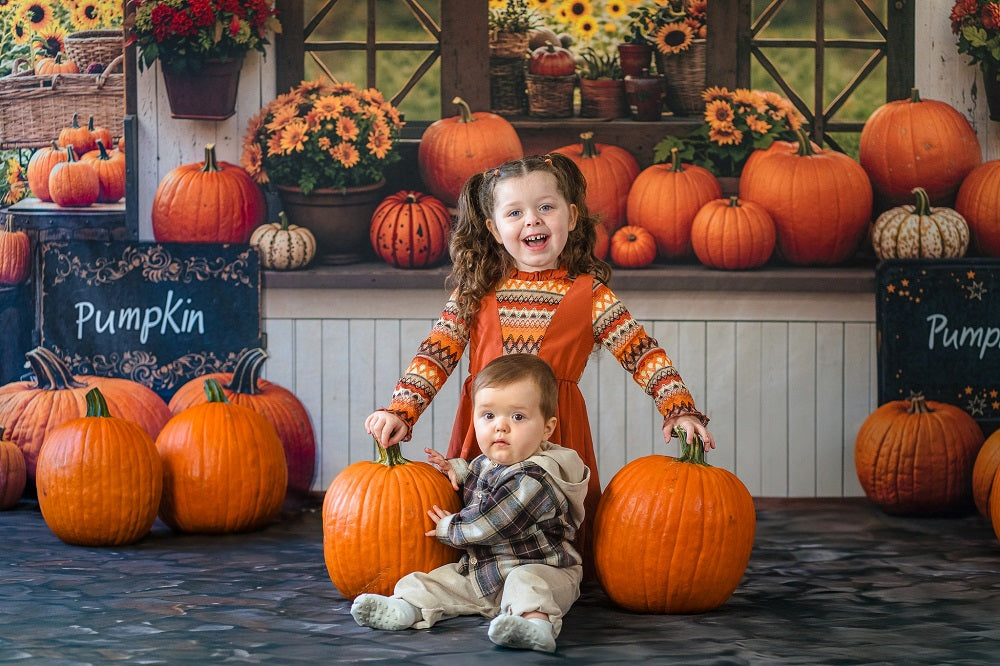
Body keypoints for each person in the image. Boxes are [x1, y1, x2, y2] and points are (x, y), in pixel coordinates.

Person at [364, 152, 714, 557]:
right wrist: (400, 410)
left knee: (548, 531)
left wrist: (680, 408)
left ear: (572, 215)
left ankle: (541, 591)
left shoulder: (592, 295)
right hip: (488, 430)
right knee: (482, 519)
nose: (532, 220)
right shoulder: (476, 293)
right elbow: (434, 356)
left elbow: (643, 354)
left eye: (545, 207)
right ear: (495, 230)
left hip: (553, 432)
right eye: (515, 213)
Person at [351, 353, 589, 653]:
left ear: (547, 428)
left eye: (518, 417)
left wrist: (448, 527)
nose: (500, 427)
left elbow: (489, 524)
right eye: (489, 416)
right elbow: (479, 470)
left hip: (545, 570)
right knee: (436, 581)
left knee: (528, 585)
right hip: (485, 574)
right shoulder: (491, 460)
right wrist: (456, 469)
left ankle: (534, 625)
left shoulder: (536, 478)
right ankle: (404, 608)